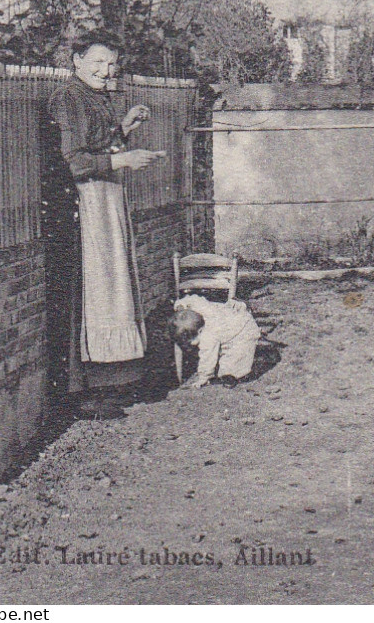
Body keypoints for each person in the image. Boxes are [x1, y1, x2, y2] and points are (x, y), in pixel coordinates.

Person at [45, 32, 164, 417]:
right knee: (92, 288)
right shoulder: (68, 97)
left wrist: (124, 127)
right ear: (76, 60)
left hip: (105, 197)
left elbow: (99, 142)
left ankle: (113, 379)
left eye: (111, 63)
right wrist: (124, 160)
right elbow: (75, 160)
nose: (105, 70)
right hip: (82, 204)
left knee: (111, 285)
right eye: (97, 62)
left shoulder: (94, 96)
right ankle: (84, 392)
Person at [171, 294, 261, 388]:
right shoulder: (198, 307)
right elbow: (192, 299)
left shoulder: (208, 336)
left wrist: (204, 377)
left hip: (244, 331)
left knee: (233, 364)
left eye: (191, 341)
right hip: (231, 321)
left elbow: (207, 358)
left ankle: (234, 376)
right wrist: (180, 305)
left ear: (200, 331)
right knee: (224, 350)